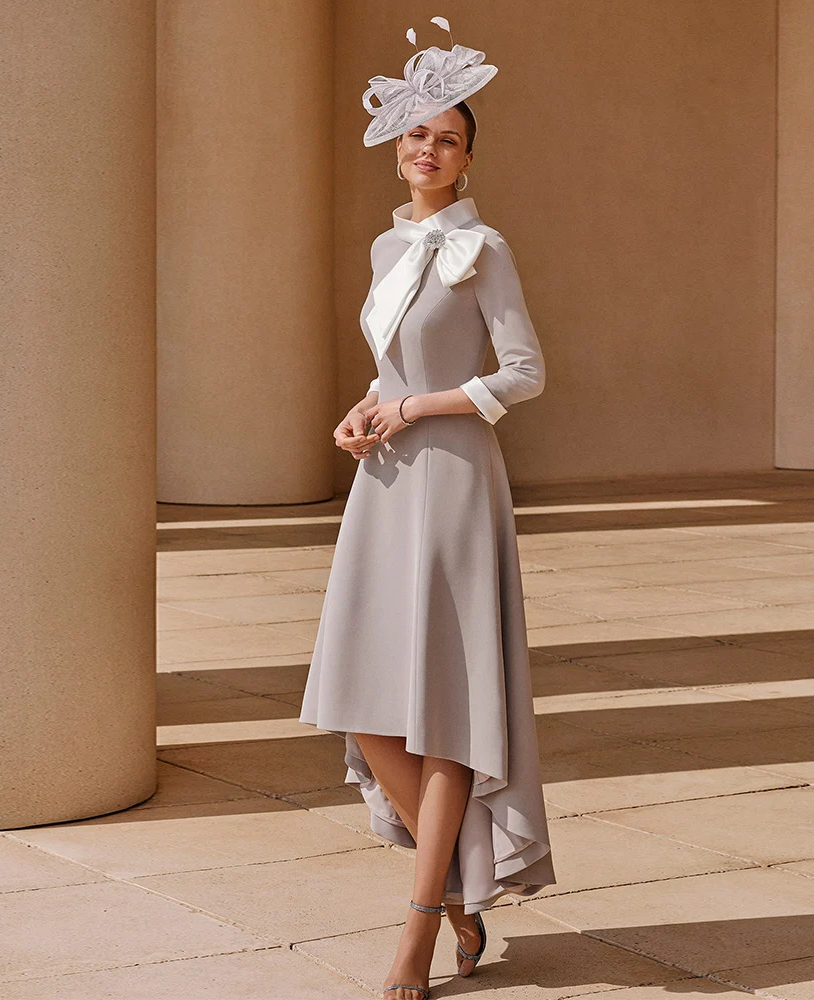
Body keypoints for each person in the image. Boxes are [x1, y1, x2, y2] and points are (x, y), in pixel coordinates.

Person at [298, 17, 556, 999]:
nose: (427, 149)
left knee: (445, 710)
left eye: (446, 137)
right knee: (363, 709)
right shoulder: (383, 245)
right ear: (396, 145)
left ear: (465, 155)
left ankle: (416, 931)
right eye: (416, 134)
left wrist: (412, 406)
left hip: (451, 479)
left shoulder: (482, 248)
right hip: (387, 480)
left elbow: (524, 373)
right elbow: (392, 363)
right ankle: (456, 888)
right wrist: (368, 411)